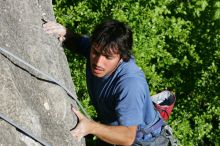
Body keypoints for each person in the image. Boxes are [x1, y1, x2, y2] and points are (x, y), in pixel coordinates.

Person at [43, 19, 175, 146]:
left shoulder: (130, 84)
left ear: (122, 57)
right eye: (95, 52)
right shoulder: (99, 49)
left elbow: (128, 137)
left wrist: (92, 127)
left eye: (108, 57)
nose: (98, 62)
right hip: (114, 129)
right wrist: (65, 33)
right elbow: (79, 42)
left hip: (140, 141)